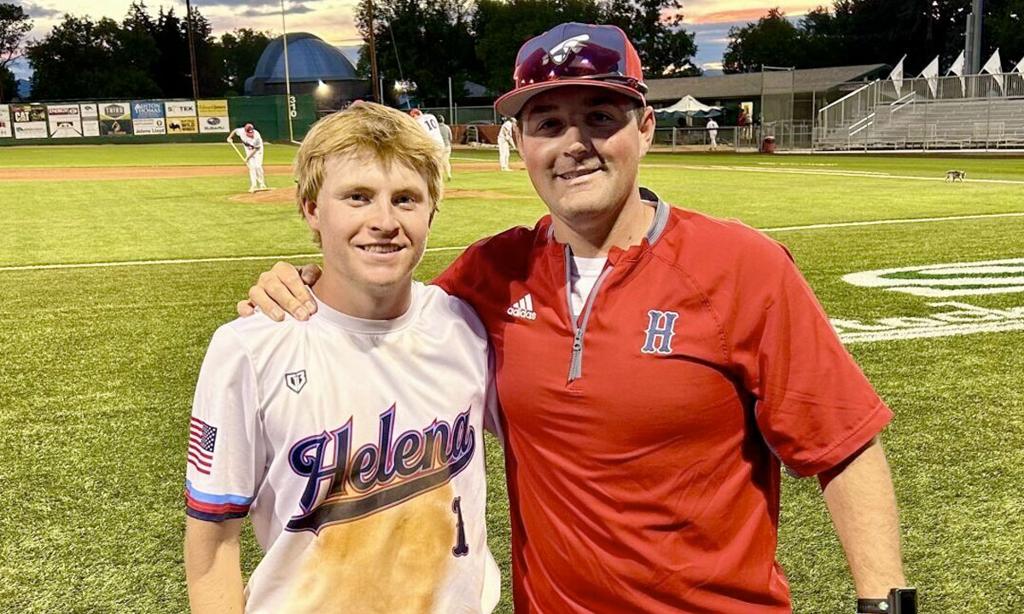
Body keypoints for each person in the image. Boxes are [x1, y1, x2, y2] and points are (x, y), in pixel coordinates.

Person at [239, 22, 914, 614]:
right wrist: (300, 286)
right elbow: (383, 319)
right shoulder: (491, 274)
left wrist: (886, 603)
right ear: (521, 142)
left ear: (644, 128)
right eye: (549, 123)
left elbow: (844, 445)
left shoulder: (741, 266)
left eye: (600, 116)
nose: (575, 144)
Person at [185, 102, 500, 614]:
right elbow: (212, 545)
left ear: (431, 213)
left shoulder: (465, 325)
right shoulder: (250, 346)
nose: (384, 221)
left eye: (405, 199)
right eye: (358, 197)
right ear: (312, 209)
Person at [227, 123, 267, 193]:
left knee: (258, 166)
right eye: (249, 133)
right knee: (252, 167)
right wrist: (229, 137)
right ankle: (254, 185)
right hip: (248, 151)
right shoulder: (241, 131)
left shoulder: (257, 136)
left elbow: (256, 149)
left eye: (251, 133)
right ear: (245, 131)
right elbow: (235, 130)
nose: (250, 135)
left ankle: (262, 184)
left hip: (258, 151)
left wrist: (247, 158)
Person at [438, 115, 453, 180]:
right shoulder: (447, 127)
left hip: (439, 146)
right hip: (447, 146)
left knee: (440, 162)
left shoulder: (436, 128)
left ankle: (440, 176)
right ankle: (449, 175)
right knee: (446, 161)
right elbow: (450, 138)